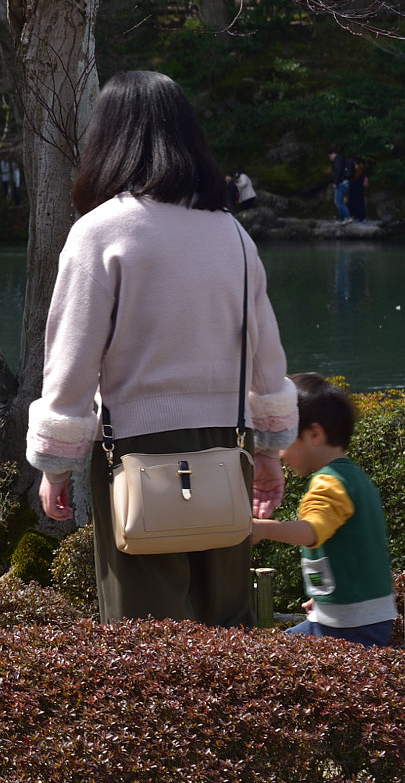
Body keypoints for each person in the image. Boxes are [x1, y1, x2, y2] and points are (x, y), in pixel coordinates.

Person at [28, 70, 297, 626]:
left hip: (136, 450)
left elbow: (71, 362)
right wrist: (269, 450)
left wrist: (56, 464)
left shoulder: (101, 232)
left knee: (146, 633)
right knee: (227, 624)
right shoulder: (231, 234)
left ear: (108, 138)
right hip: (228, 445)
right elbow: (267, 356)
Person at [252, 374, 396, 647]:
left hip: (351, 626)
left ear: (314, 434)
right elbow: (354, 551)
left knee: (269, 659)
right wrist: (326, 596)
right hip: (354, 617)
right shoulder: (354, 477)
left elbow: (311, 531)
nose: (280, 453)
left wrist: (260, 528)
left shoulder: (328, 482)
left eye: (285, 438)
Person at [328, 147, 352, 221]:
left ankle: (347, 216)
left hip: (341, 183)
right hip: (345, 182)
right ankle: (342, 219)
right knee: (339, 201)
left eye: (329, 156)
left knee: (338, 201)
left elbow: (338, 172)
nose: (329, 158)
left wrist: (335, 182)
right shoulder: (342, 159)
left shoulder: (337, 161)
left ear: (333, 154)